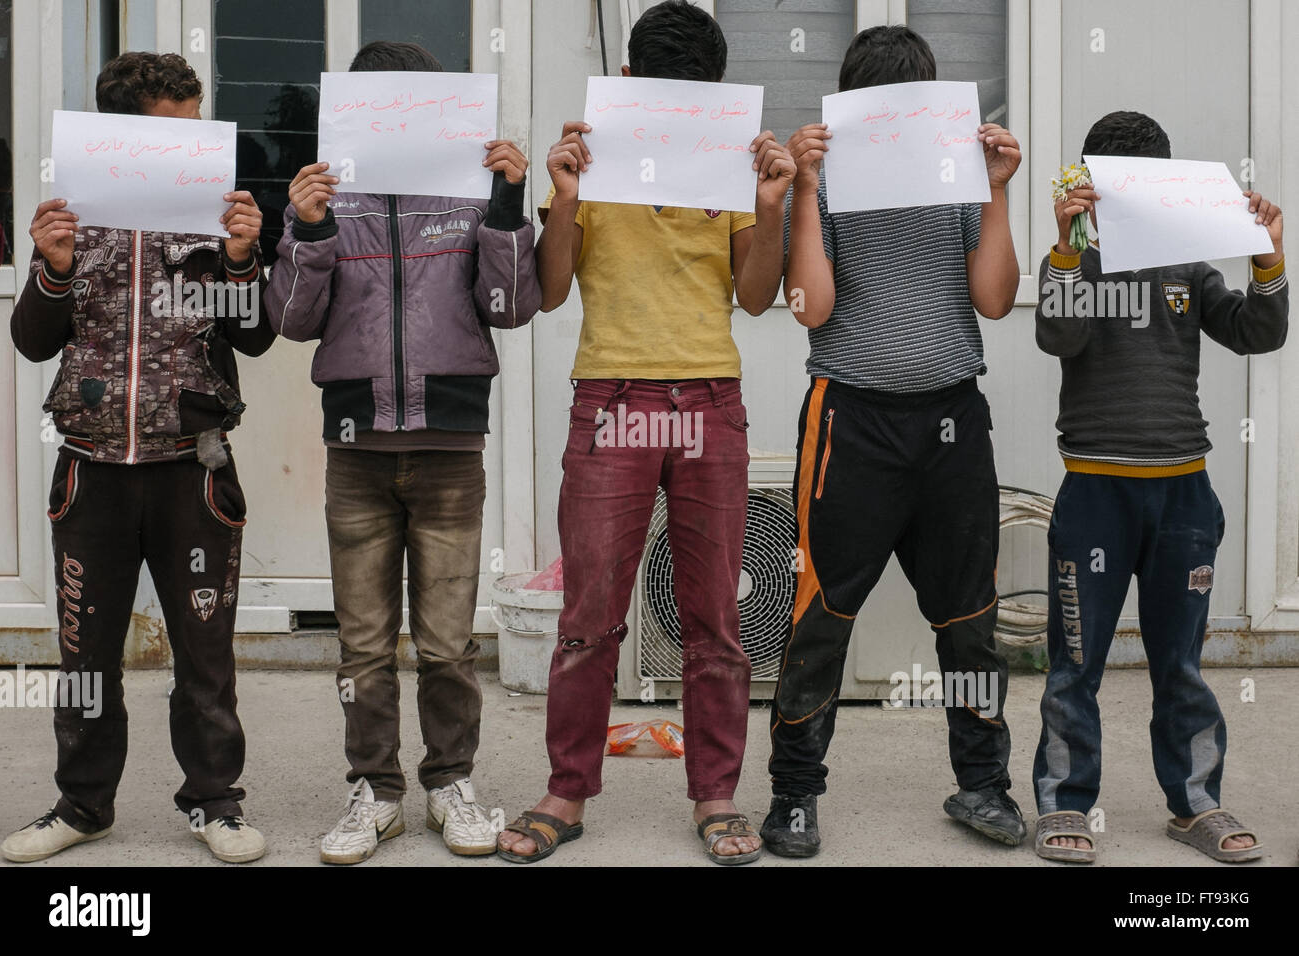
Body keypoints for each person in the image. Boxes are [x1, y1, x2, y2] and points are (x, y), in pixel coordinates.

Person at [495, 0, 794, 865]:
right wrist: (563, 196)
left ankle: (716, 795)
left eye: (695, 99)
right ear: (626, 84)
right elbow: (550, 293)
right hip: (610, 397)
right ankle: (567, 788)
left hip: (710, 398)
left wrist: (770, 201)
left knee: (716, 617)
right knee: (589, 614)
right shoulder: (591, 162)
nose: (678, 113)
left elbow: (757, 295)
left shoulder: (731, 166)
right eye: (661, 95)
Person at [264, 40, 541, 863]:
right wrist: (307, 228)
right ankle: (374, 790)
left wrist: (507, 203)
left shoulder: (469, 191)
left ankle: (450, 781)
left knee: (451, 643)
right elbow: (290, 320)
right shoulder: (326, 196)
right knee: (363, 641)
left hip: (451, 447)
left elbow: (512, 303)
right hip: (355, 447)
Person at [2, 52, 272, 864]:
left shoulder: (216, 215)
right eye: (174, 129)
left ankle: (215, 803)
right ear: (119, 131)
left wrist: (239, 260)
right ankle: (83, 806)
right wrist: (51, 267)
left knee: (205, 651)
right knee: (85, 655)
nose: (193, 145)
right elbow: (30, 340)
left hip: (195, 465)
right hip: (90, 471)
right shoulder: (72, 218)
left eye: (197, 126)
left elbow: (256, 335)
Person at [764, 25, 1025, 858]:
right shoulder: (831, 177)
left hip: (953, 422)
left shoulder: (960, 177)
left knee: (971, 619)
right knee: (820, 617)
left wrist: (996, 191)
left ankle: (983, 785)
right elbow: (809, 306)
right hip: (852, 422)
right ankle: (795, 794)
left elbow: (993, 301)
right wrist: (806, 186)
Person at [1032, 110, 1284, 864]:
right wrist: (1065, 245)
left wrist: (1268, 261)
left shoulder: (1189, 265)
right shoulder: (1073, 261)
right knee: (1076, 663)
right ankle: (1064, 805)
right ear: (1092, 190)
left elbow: (1255, 332)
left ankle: (1195, 803)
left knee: (1180, 664)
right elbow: (1059, 335)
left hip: (1183, 495)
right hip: (1095, 496)